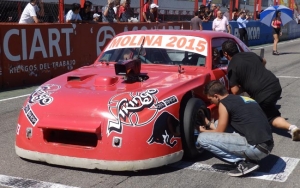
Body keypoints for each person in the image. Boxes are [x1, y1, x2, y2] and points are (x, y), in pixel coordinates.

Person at [221, 40, 300, 141]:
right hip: (275, 85)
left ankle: (289, 129)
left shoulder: (232, 66)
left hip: (262, 94)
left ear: (226, 54)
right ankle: (293, 128)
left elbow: (235, 91)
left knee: (268, 117)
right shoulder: (250, 54)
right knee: (269, 110)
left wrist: (245, 85)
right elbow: (264, 61)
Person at [197, 80, 274, 177]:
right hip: (268, 145)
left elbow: (219, 132)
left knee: (202, 138)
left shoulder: (223, 104)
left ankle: (242, 163)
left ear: (216, 96)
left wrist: (202, 130)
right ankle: (249, 157)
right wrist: (208, 123)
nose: (211, 102)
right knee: (218, 122)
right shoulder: (243, 98)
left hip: (257, 150)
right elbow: (221, 126)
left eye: (210, 99)